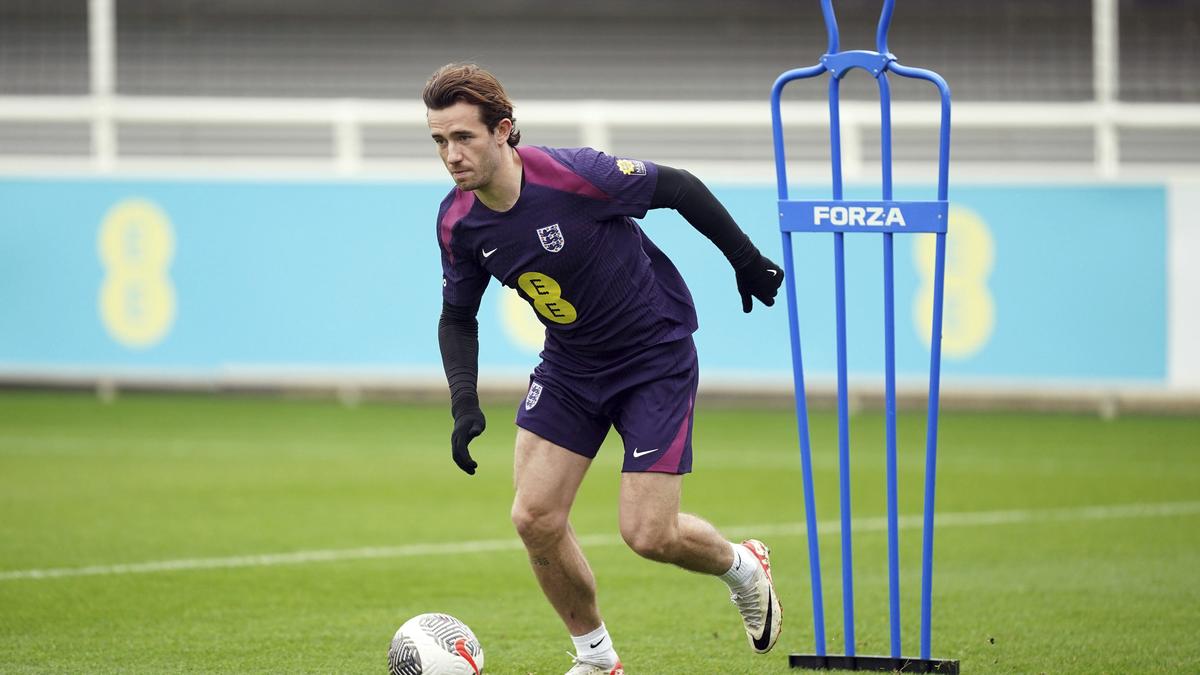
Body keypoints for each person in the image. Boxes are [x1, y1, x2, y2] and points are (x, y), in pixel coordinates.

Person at [425, 63, 785, 675]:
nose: (451, 155)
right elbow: (457, 317)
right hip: (570, 366)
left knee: (649, 535)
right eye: (439, 140)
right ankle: (597, 658)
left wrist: (744, 259)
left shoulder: (574, 174)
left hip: (654, 358)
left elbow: (679, 187)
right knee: (534, 518)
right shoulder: (458, 222)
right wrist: (464, 404)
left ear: (503, 130)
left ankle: (743, 566)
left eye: (464, 137)